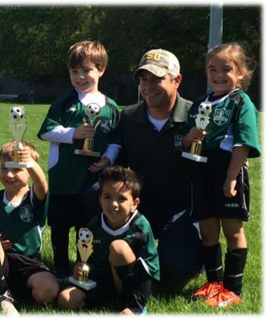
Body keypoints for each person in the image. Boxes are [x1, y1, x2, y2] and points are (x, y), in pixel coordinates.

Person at [94, 49, 203, 283]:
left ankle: (196, 251)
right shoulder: (130, 117)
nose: (148, 86)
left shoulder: (197, 116)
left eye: (157, 79)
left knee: (174, 270)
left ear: (177, 80)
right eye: (143, 79)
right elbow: (118, 172)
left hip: (183, 208)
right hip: (140, 205)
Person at [183, 43, 261, 307]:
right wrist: (188, 137)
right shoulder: (199, 104)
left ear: (241, 73)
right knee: (207, 230)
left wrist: (231, 177)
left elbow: (244, 143)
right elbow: (184, 139)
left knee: (231, 228)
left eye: (226, 69)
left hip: (227, 169)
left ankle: (233, 289)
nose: (218, 74)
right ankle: (214, 284)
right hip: (200, 171)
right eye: (212, 69)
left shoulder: (241, 102)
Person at [37, 40, 120, 280]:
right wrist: (74, 133)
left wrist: (108, 158)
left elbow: (116, 139)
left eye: (87, 70)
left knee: (88, 226)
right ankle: (61, 267)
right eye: (75, 71)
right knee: (61, 225)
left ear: (101, 69)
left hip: (92, 180)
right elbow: (45, 131)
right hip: (63, 177)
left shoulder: (111, 107)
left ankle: (86, 265)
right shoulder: (64, 102)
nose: (80, 77)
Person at [58, 166, 159, 319]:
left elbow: (148, 271)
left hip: (134, 284)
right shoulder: (93, 225)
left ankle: (131, 305)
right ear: (99, 200)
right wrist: (81, 266)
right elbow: (88, 259)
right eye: (107, 197)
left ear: (135, 203)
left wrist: (136, 305)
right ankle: (107, 300)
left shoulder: (140, 226)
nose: (114, 204)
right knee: (65, 299)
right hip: (102, 280)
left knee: (118, 247)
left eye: (122, 198)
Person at [0, 141, 59, 318]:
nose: (9, 174)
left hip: (29, 263)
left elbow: (42, 183)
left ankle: (17, 292)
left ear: (29, 172)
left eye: (17, 169)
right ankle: (2, 295)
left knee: (48, 291)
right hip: (1, 261)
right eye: (4, 168)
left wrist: (29, 162)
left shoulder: (33, 200)